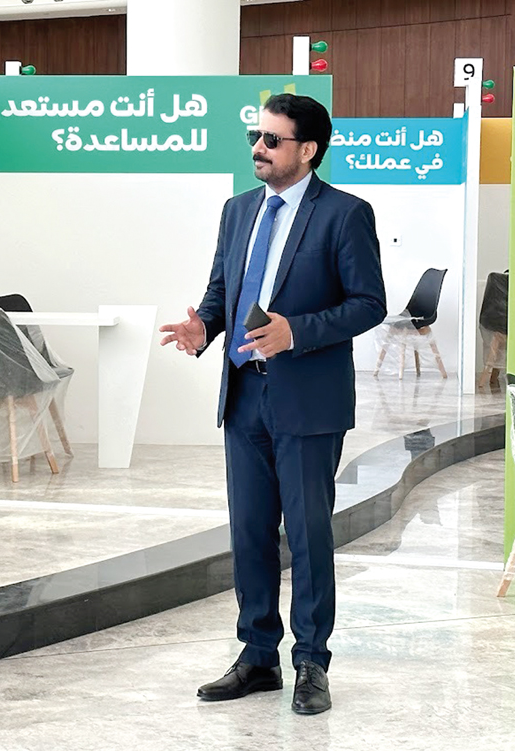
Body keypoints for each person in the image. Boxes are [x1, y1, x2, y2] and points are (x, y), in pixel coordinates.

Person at [159, 93, 386, 715]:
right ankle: (258, 655)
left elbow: (370, 304)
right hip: (244, 396)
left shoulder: (344, 214)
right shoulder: (238, 212)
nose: (258, 149)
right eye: (256, 137)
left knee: (308, 535)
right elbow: (221, 291)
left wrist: (298, 331)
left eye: (272, 140)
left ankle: (311, 660)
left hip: (309, 399)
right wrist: (203, 328)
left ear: (307, 150)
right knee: (249, 533)